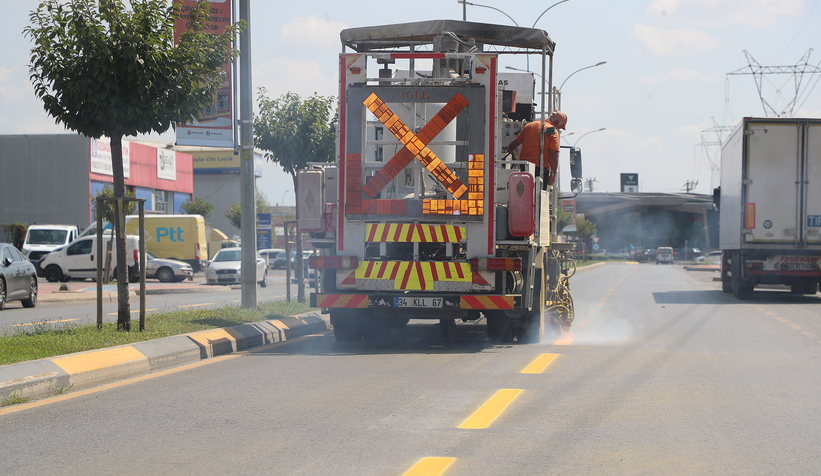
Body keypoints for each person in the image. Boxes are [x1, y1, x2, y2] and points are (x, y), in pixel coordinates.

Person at [505, 111, 567, 186]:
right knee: (537, 191)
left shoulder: (529, 126)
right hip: (540, 168)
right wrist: (553, 174)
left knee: (525, 189)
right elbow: (554, 154)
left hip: (524, 166)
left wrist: (510, 150)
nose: (557, 129)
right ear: (556, 122)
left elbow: (513, 145)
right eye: (559, 127)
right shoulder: (553, 132)